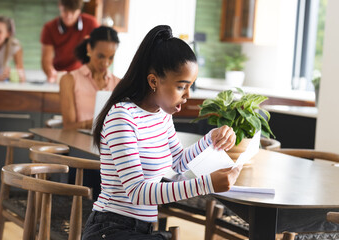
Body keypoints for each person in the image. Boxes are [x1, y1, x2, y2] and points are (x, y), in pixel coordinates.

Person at [82, 25, 242, 240]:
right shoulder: (122, 117)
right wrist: (207, 184)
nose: (187, 95)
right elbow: (137, 192)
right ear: (153, 81)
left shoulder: (161, 115)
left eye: (190, 86)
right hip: (109, 229)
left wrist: (210, 140)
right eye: (181, 86)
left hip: (141, 229)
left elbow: (177, 163)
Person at [59, 26, 120, 130]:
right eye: (100, 56)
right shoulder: (69, 80)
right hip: (78, 143)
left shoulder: (119, 84)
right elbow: (68, 126)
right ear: (89, 49)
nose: (105, 63)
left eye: (111, 57)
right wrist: (98, 122)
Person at [40, 0, 99, 83]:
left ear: (79, 10)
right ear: (60, 7)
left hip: (83, 75)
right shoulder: (49, 28)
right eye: (65, 11)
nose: (69, 16)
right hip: (59, 76)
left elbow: (98, 51)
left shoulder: (91, 23)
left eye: (73, 12)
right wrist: (51, 73)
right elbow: (46, 60)